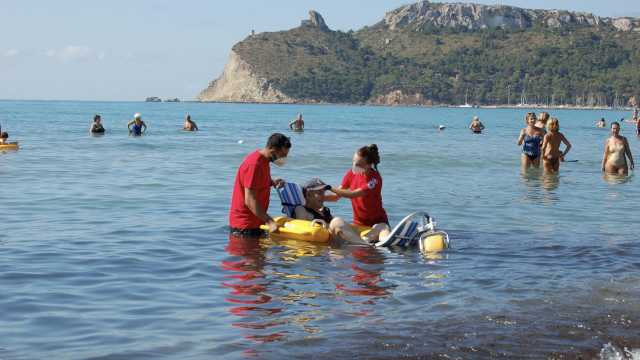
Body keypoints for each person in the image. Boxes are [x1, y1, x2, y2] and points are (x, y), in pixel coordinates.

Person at [229, 133, 291, 236]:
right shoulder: (254, 165)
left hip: (256, 222)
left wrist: (271, 182)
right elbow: (249, 199)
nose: (283, 158)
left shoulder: (264, 161)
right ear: (272, 149)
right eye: (282, 155)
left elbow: (256, 182)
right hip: (245, 225)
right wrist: (270, 221)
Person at [326, 144, 390, 243]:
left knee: (381, 228)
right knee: (336, 222)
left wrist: (329, 187)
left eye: (359, 164)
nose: (354, 166)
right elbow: (335, 197)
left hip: (378, 224)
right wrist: (318, 196)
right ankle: (365, 242)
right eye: (354, 162)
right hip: (359, 226)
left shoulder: (374, 179)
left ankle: (385, 242)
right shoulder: (351, 173)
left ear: (369, 165)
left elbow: (352, 194)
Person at [293, 178, 365, 243]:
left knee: (376, 227)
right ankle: (365, 246)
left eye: (323, 192)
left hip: (335, 245)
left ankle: (365, 242)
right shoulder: (301, 209)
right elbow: (302, 230)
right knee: (337, 221)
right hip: (322, 247)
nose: (323, 196)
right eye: (319, 193)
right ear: (308, 195)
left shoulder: (324, 211)